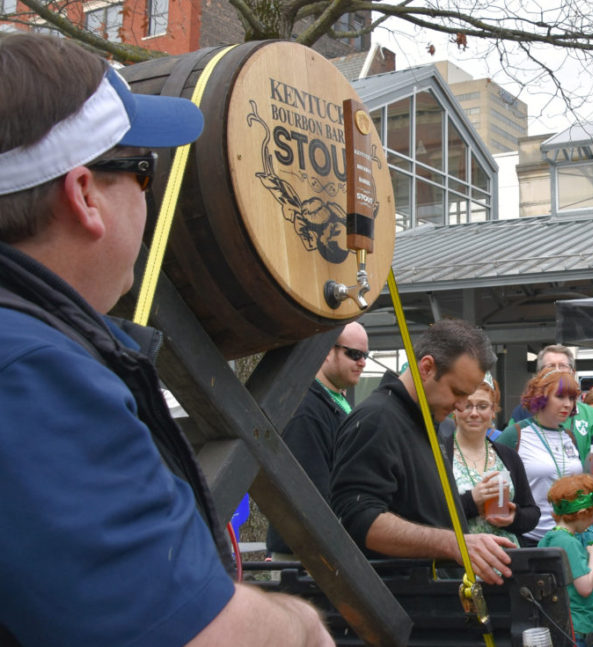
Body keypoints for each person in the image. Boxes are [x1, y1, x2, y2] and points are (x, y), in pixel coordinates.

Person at [0, 33, 331, 645]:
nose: (148, 200)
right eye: (142, 172)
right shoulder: (32, 374)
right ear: (83, 195)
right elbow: (190, 634)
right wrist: (302, 625)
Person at [329, 319, 514, 585]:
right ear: (426, 368)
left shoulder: (430, 421)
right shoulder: (377, 419)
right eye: (457, 392)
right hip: (399, 605)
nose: (462, 407)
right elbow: (358, 519)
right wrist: (454, 544)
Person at [266, 322, 368, 560]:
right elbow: (310, 490)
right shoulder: (305, 409)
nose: (362, 362)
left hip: (327, 547)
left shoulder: (333, 402)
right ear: (325, 351)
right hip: (308, 552)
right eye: (354, 354)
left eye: (365, 355)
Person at [496, 368, 593, 546]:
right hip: (530, 539)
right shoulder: (516, 434)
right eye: (560, 397)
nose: (567, 404)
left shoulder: (569, 436)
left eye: (571, 398)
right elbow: (492, 472)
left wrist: (592, 473)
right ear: (541, 397)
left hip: (569, 539)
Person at [452, 374, 540, 545]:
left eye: (483, 406)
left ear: (493, 412)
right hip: (457, 564)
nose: (474, 413)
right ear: (455, 409)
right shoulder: (440, 455)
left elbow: (532, 513)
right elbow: (428, 515)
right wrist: (472, 501)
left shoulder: (507, 456)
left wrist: (514, 517)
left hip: (508, 562)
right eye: (467, 405)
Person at [539, 473, 593, 647]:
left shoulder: (550, 538)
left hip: (564, 625)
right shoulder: (569, 543)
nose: (592, 521)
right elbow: (584, 587)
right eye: (592, 515)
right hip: (578, 629)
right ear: (582, 513)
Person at [509, 344, 593, 446]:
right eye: (551, 366)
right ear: (539, 373)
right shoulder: (523, 411)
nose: (557, 371)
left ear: (573, 372)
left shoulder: (589, 414)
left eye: (563, 366)